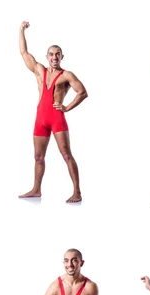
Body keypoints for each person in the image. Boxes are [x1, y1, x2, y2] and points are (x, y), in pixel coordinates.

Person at [18, 22, 88, 203]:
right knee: (38, 156)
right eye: (51, 54)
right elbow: (24, 53)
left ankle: (77, 192)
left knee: (66, 155)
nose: (54, 57)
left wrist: (67, 107)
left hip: (57, 118)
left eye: (57, 54)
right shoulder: (39, 70)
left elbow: (83, 92)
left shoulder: (66, 75)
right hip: (40, 118)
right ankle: (36, 189)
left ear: (62, 56)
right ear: (47, 57)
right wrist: (21, 31)